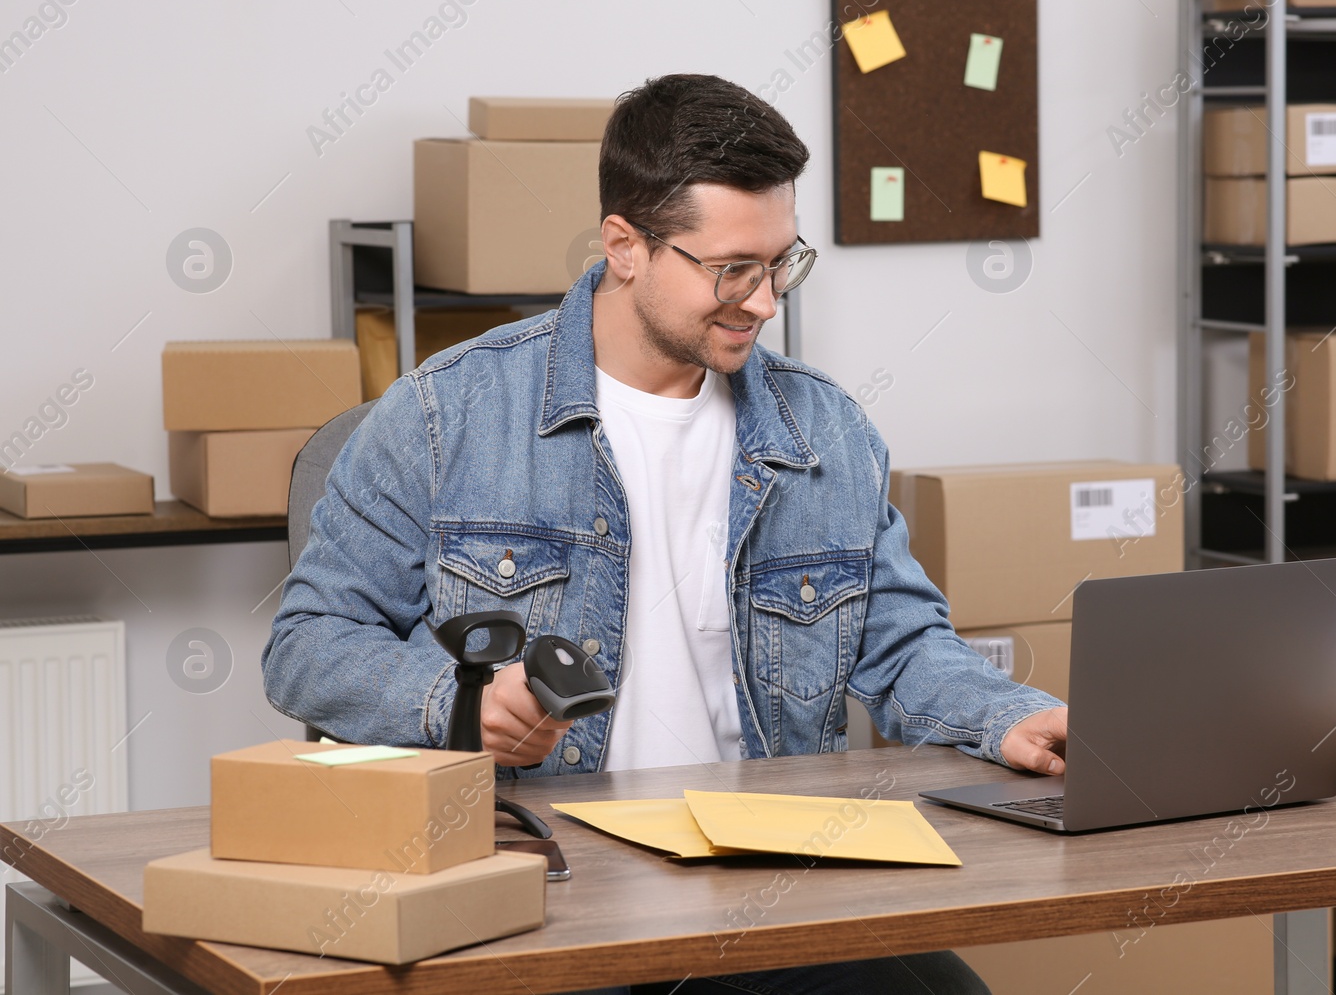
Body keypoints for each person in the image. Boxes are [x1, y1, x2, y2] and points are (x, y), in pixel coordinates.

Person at [264, 73, 1068, 995]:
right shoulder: (447, 412)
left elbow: (903, 644)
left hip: (762, 878)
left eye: (781, 264)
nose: (764, 302)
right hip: (539, 876)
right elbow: (307, 647)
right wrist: (455, 699)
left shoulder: (827, 432)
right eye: (732, 270)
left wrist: (1010, 718)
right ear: (625, 247)